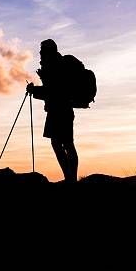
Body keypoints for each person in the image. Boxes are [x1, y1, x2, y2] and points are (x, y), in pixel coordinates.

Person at [26, 39, 78, 183]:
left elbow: (53, 91)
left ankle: (71, 179)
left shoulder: (56, 66)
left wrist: (34, 90)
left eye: (42, 51)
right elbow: (51, 91)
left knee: (65, 144)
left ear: (49, 51)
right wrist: (36, 90)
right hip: (59, 109)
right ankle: (70, 178)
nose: (40, 54)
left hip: (60, 110)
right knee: (62, 144)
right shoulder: (54, 65)